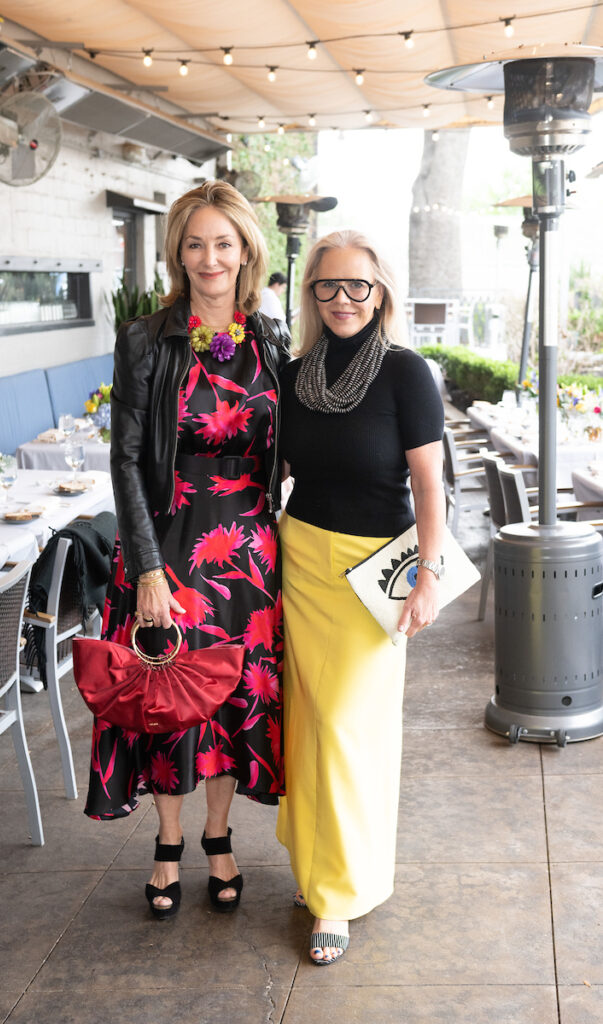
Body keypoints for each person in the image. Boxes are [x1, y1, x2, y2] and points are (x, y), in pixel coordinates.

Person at [85, 180, 290, 921]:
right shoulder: (144, 337)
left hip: (250, 554)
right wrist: (143, 566)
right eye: (195, 243)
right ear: (178, 252)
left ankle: (218, 837)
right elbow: (127, 461)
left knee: (232, 699)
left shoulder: (271, 339)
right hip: (168, 544)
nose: (209, 257)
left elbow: (294, 445)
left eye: (223, 243)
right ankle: (167, 845)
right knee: (169, 700)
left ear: (245, 252)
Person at [276, 230, 445, 965]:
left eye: (358, 287)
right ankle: (316, 868)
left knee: (348, 727)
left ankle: (340, 894)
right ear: (310, 293)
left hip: (375, 568)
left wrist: (428, 574)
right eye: (328, 287)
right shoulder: (292, 373)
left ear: (380, 293)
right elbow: (266, 468)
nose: (342, 300)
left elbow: (429, 485)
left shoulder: (406, 373)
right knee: (308, 723)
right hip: (299, 560)